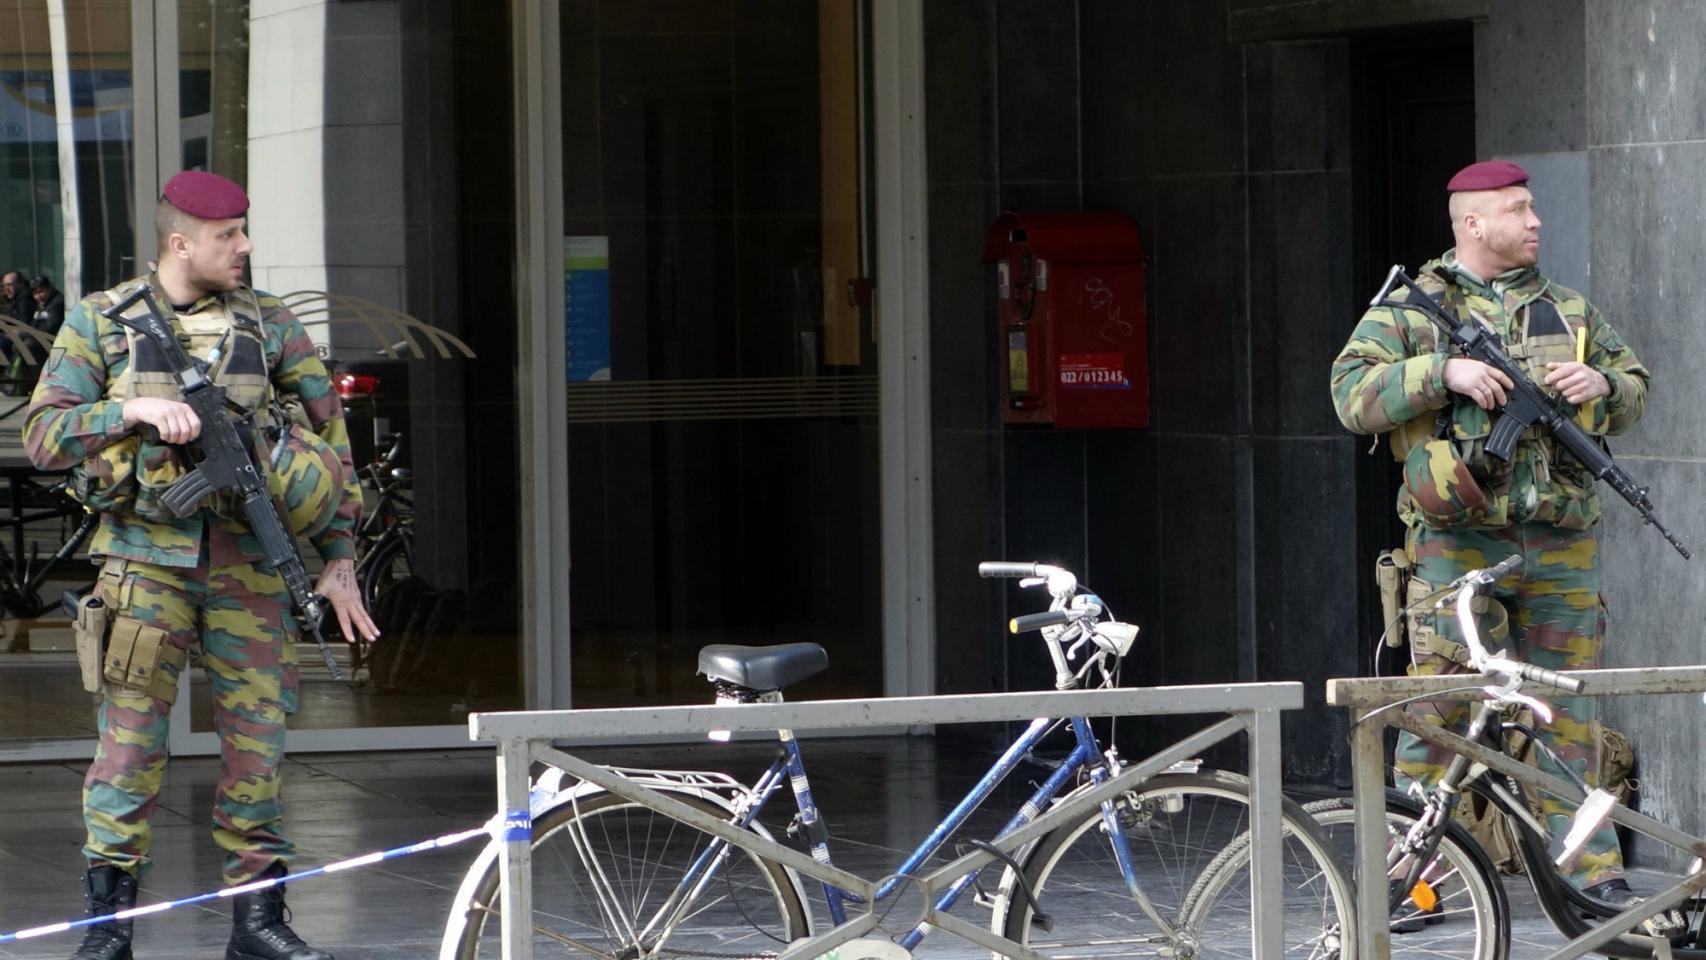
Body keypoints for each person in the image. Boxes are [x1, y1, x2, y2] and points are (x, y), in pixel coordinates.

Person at [24, 170, 380, 960]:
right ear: (180, 242)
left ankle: (258, 921)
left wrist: (340, 556)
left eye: (245, 232)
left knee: (258, 749)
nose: (246, 247)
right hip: (143, 569)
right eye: (230, 236)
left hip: (252, 567)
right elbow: (43, 438)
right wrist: (132, 409)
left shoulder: (272, 325)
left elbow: (333, 446)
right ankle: (105, 927)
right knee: (128, 749)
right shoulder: (101, 322)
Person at [1330, 159, 1651, 906]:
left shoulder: (1570, 311)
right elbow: (1349, 395)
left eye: (1533, 207)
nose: (1535, 220)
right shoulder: (1412, 311)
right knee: (1436, 709)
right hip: (1459, 544)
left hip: (1562, 543)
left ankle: (1591, 878)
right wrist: (1441, 372)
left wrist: (1603, 386)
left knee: (1566, 714)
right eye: (1518, 209)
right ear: (1474, 223)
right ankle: (1408, 883)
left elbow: (1636, 387)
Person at [31, 274, 65, 338]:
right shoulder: (42, 303)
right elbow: (35, 323)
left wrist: (29, 333)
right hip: (40, 337)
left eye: (41, 291)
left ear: (49, 288)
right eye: (35, 293)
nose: (38, 296)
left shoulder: (57, 303)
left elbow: (50, 328)